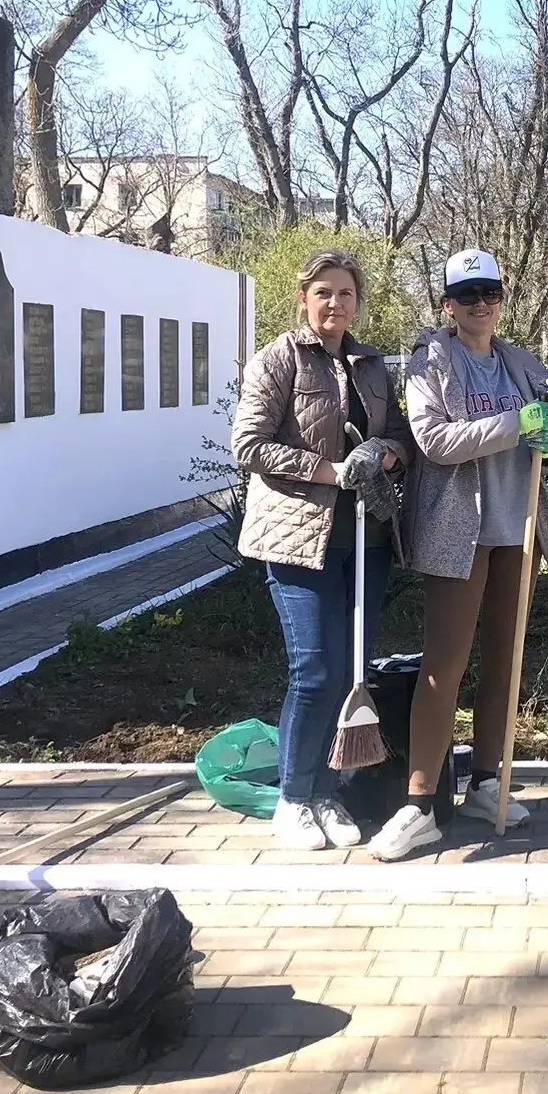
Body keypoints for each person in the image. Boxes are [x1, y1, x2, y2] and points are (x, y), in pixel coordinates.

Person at [368, 250, 548, 862]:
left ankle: (485, 783)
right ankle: (420, 804)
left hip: (518, 527)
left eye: (491, 293)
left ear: (502, 300)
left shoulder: (521, 363)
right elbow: (435, 442)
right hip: (458, 532)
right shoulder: (430, 362)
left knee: (505, 662)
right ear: (448, 304)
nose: (481, 304)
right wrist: (515, 424)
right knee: (443, 665)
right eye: (467, 294)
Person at [232, 250, 409, 851]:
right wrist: (330, 471)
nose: (336, 303)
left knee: (352, 672)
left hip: (367, 539)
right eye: (324, 293)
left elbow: (401, 436)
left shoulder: (373, 366)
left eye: (346, 293)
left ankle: (328, 792)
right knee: (316, 673)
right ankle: (293, 798)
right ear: (304, 298)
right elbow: (249, 445)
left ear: (358, 302)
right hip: (299, 541)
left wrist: (384, 453)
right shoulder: (278, 359)